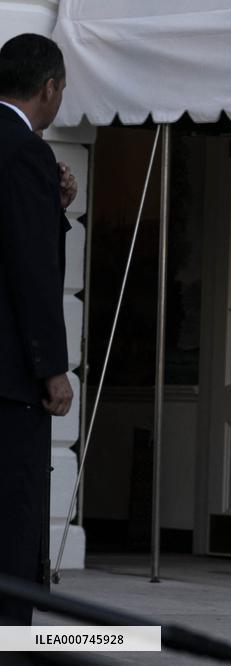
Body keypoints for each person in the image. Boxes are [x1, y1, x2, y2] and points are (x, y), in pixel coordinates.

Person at [0, 33, 76, 625]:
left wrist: (52, 204)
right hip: (8, 382)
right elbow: (31, 269)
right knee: (14, 522)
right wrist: (54, 368)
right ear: (48, 87)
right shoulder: (27, 153)